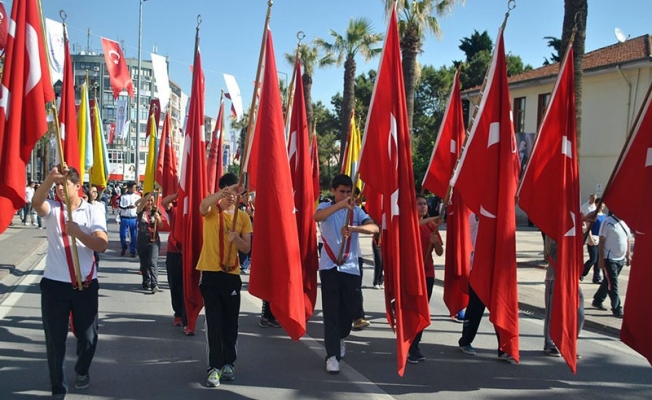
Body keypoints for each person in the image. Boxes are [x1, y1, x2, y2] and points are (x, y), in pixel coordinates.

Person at [32, 166, 108, 398]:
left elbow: (102, 245)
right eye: (57, 186)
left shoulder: (93, 210)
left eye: (64, 185)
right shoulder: (54, 209)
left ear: (78, 187)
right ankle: (58, 386)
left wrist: (79, 234)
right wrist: (49, 179)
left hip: (85, 285)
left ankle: (82, 369)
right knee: (55, 339)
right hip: (55, 284)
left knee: (88, 336)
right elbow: (37, 203)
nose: (60, 190)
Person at [313, 174, 379, 374]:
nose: (346, 195)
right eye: (342, 191)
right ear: (334, 191)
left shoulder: (356, 211)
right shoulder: (326, 207)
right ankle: (332, 356)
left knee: (350, 310)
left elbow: (374, 227)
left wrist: (355, 227)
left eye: (349, 192)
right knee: (331, 312)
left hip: (351, 268)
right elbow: (317, 218)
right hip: (329, 267)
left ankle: (341, 336)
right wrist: (341, 205)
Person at [197, 173, 252, 387]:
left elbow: (247, 248)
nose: (233, 195)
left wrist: (237, 239)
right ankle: (214, 367)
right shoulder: (212, 211)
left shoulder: (243, 217)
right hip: (210, 273)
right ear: (223, 190)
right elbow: (203, 204)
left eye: (237, 191)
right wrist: (222, 194)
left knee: (231, 322)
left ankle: (229, 362)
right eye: (230, 190)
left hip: (231, 275)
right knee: (214, 323)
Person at [458, 213, 516, 363]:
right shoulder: (475, 216)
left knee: (500, 308)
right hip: (479, 270)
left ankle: (503, 348)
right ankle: (465, 341)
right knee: (475, 310)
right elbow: (478, 214)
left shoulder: (497, 216)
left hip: (496, 270)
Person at [408, 194, 443, 364]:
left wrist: (435, 242)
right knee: (412, 310)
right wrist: (433, 219)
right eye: (419, 204)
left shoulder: (431, 227)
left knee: (422, 310)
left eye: (424, 204)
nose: (423, 206)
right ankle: (408, 344)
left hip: (427, 273)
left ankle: (415, 346)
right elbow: (411, 226)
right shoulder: (408, 223)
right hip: (412, 273)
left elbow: (439, 252)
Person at [542, 236, 585, 358]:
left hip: (571, 279)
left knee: (579, 313)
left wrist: (583, 227)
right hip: (554, 278)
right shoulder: (552, 231)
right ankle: (549, 344)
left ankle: (568, 343)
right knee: (552, 313)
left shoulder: (574, 228)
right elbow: (552, 251)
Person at [592, 212, 631, 318]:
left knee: (608, 281)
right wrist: (601, 259)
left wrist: (628, 256)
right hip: (609, 258)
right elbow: (601, 241)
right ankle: (617, 308)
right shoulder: (607, 222)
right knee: (613, 284)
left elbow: (627, 240)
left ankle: (598, 299)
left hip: (620, 259)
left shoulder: (625, 222)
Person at [162, 193, 187, 330]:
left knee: (188, 285)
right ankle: (178, 313)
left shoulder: (196, 207)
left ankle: (187, 314)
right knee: (175, 284)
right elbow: (165, 202)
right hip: (174, 251)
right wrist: (179, 193)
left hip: (190, 251)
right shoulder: (175, 206)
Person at [135, 192, 162, 293]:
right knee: (144, 263)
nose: (149, 202)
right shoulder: (141, 211)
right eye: (148, 200)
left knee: (152, 262)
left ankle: (154, 284)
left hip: (154, 241)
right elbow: (138, 203)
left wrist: (158, 218)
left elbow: (162, 225)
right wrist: (150, 192)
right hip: (142, 241)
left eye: (151, 200)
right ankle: (146, 281)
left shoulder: (156, 211)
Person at [582, 201, 606, 283]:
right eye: (599, 204)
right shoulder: (592, 214)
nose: (601, 206)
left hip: (600, 239)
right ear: (596, 204)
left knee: (599, 260)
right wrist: (590, 238)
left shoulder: (604, 216)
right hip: (593, 238)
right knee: (593, 259)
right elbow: (588, 227)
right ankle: (582, 272)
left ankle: (596, 277)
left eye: (603, 204)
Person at [118, 182, 140, 257]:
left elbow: (140, 206)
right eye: (133, 187)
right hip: (125, 217)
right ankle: (124, 247)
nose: (134, 189)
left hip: (133, 218)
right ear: (129, 188)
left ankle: (132, 251)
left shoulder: (137, 197)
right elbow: (120, 206)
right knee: (123, 235)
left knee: (133, 235)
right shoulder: (123, 196)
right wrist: (127, 207)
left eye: (135, 187)